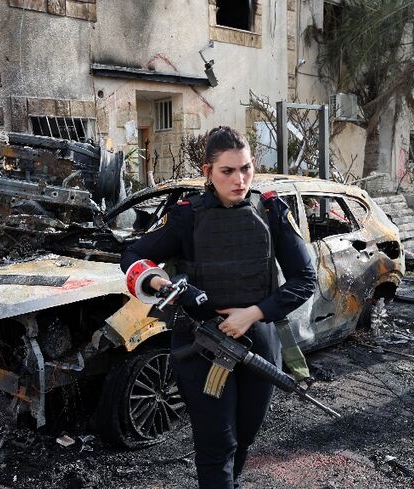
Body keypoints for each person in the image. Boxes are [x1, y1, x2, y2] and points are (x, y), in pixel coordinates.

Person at [120, 126, 317, 488]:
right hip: (202, 343)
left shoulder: (270, 211)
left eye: (246, 169)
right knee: (215, 445)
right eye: (227, 171)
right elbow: (132, 255)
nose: (239, 179)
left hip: (258, 339)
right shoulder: (187, 217)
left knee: (244, 437)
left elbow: (305, 279)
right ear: (207, 172)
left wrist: (253, 314)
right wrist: (166, 285)